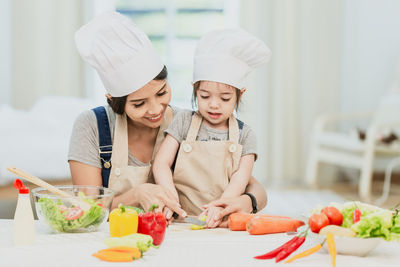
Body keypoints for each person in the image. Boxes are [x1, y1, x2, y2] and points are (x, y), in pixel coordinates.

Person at [68, 11, 267, 222]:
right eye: (139, 103)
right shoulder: (93, 126)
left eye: (162, 92)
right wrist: (136, 195)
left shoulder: (188, 124)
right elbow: (88, 209)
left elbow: (254, 187)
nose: (155, 109)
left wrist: (246, 202)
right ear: (112, 99)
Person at [153, 29, 271, 228]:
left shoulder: (245, 135)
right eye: (205, 96)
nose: (214, 104)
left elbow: (241, 177)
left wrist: (221, 207)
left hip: (222, 220)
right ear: (194, 90)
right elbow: (161, 163)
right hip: (179, 218)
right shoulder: (183, 121)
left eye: (225, 98)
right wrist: (169, 194)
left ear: (239, 94)